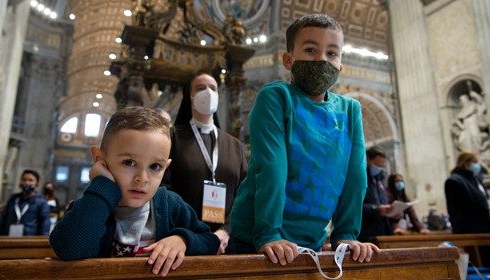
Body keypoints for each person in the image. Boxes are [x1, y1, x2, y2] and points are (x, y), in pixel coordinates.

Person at [228, 13, 379, 265]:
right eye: (310, 49)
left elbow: (356, 177)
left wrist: (346, 234)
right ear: (289, 59)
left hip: (311, 242)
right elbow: (272, 167)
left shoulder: (350, 110)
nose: (321, 59)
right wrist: (268, 233)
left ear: (341, 64)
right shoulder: (276, 97)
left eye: (332, 53)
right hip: (256, 237)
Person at [49, 106, 219, 276]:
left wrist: (183, 240)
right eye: (129, 163)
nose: (142, 178)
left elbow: (211, 242)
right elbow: (68, 249)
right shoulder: (91, 206)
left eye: (155, 166)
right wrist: (103, 185)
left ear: (165, 167)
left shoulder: (171, 205)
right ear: (99, 160)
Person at [162, 73, 247, 255]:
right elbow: (163, 188)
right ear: (190, 97)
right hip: (184, 240)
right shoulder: (173, 138)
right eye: (200, 88)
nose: (208, 92)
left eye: (213, 88)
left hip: (228, 242)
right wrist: (194, 234)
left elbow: (244, 194)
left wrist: (225, 231)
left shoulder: (234, 145)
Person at [445, 151, 490, 266]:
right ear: (466, 163)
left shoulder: (476, 180)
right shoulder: (454, 181)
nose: (477, 165)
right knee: (479, 264)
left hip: (485, 227)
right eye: (475, 162)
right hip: (471, 230)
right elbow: (454, 211)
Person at [358, 146, 396, 243]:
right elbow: (354, 207)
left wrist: (392, 212)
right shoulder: (360, 179)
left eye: (381, 166)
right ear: (368, 160)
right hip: (366, 234)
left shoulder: (380, 180)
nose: (379, 169)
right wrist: (376, 209)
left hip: (383, 232)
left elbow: (383, 201)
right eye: (376, 165)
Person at [0, 170, 51, 236]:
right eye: (24, 180)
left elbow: (45, 224)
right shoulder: (13, 199)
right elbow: (3, 220)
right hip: (9, 238)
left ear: (37, 183)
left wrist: (41, 242)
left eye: (30, 180)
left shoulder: (42, 202)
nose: (26, 182)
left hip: (29, 241)